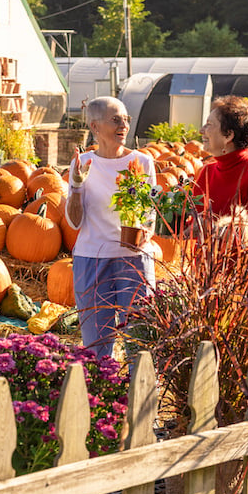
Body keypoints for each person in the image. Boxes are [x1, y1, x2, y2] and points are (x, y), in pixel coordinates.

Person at [64, 96, 156, 360]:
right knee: (96, 346)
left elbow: (150, 213)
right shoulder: (82, 164)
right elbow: (74, 222)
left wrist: (147, 229)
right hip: (92, 260)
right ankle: (101, 398)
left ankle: (141, 397)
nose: (124, 125)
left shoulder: (142, 162)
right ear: (95, 127)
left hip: (134, 260)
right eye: (115, 119)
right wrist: (78, 185)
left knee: (140, 342)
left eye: (125, 119)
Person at [193, 95, 248, 239]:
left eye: (209, 125)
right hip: (203, 260)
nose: (201, 130)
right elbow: (194, 226)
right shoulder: (206, 172)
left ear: (228, 135)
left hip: (238, 261)